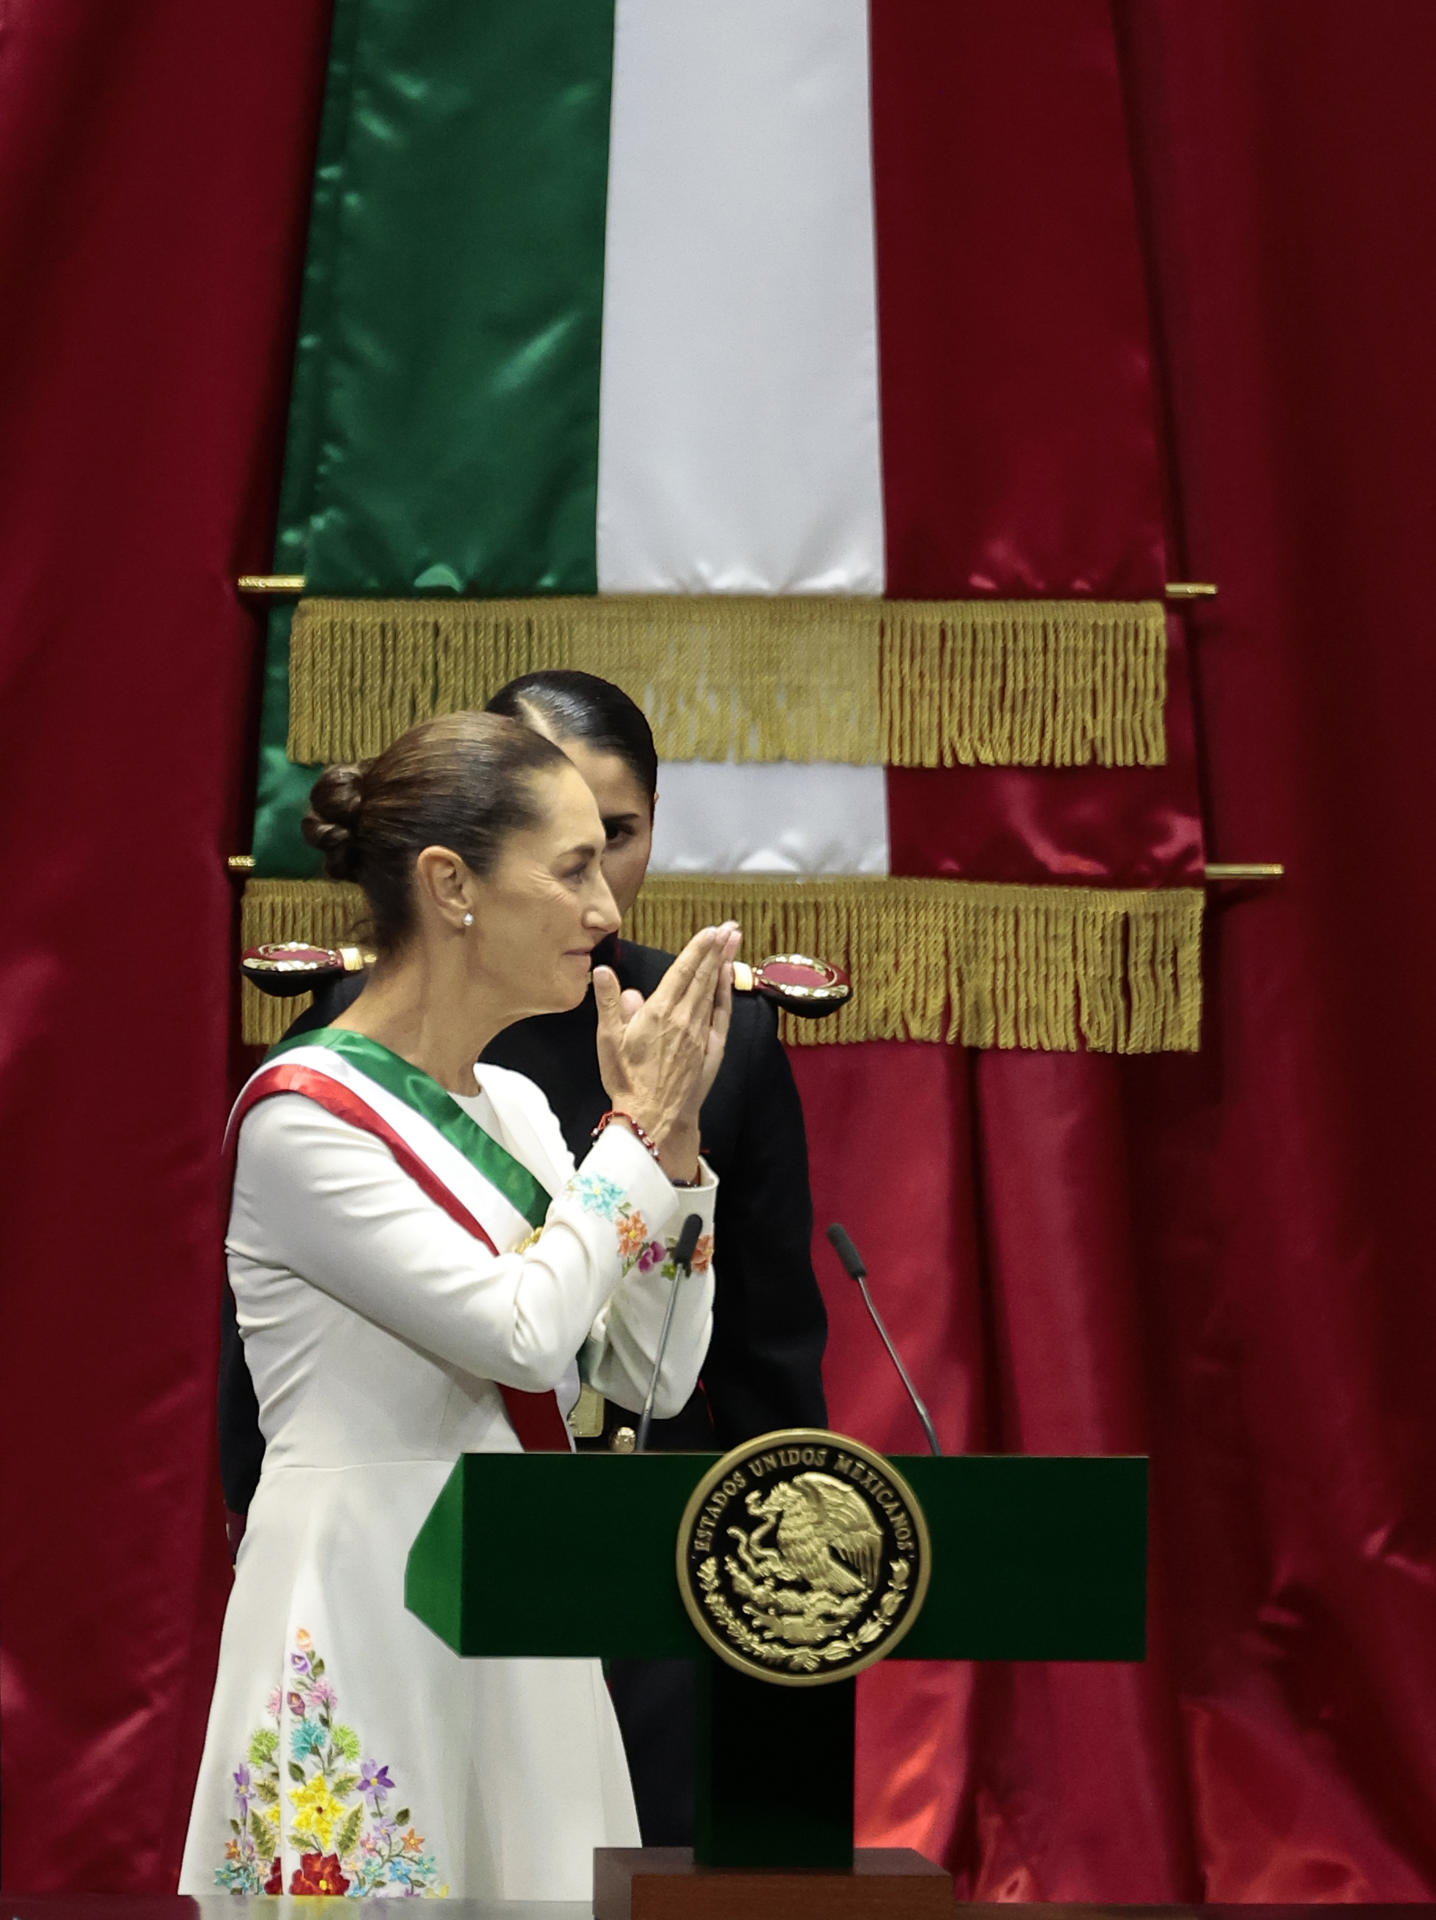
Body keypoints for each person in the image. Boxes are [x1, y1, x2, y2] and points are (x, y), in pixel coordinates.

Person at [219, 670, 829, 1842]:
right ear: (451, 886)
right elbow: (520, 1330)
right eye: (569, 869)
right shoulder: (304, 1115)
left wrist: (682, 1161)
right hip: (367, 1601)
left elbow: (641, 1376)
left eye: (610, 859)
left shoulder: (509, 1103)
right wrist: (634, 1135)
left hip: (519, 1600)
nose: (606, 909)